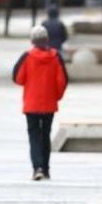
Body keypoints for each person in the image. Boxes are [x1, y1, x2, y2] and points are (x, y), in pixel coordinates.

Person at [12, 26, 68, 181]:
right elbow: (62, 81)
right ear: (47, 40)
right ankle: (46, 169)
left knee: (34, 136)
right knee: (45, 136)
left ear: (32, 41)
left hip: (31, 104)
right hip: (49, 105)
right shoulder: (56, 57)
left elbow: (18, 78)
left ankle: (37, 168)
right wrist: (56, 97)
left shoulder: (27, 57)